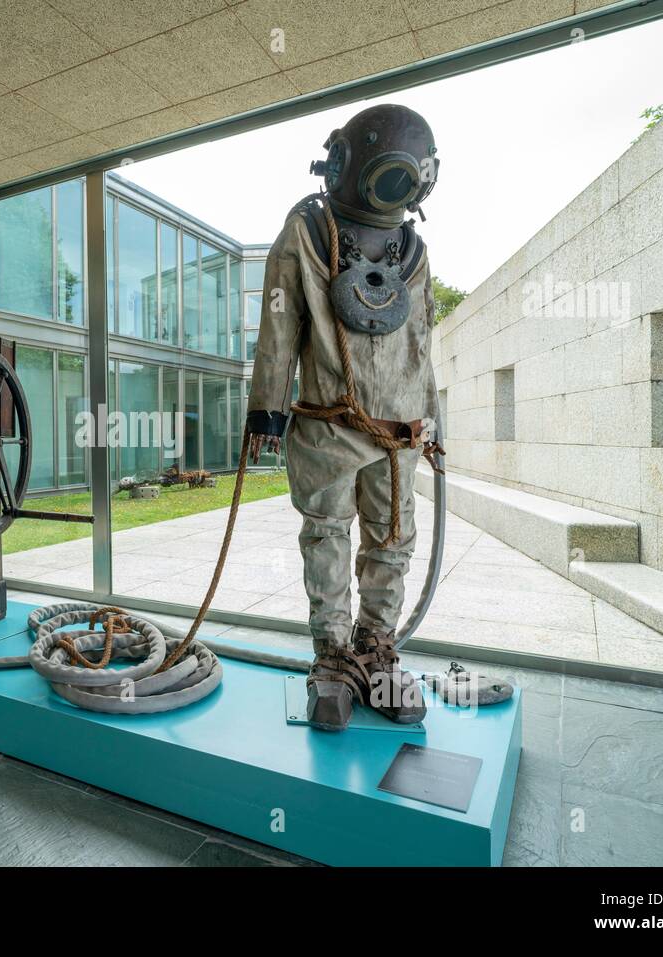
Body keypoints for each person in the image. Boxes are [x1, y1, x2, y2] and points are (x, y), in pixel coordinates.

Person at [246, 104, 445, 731]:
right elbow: (280, 325)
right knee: (326, 536)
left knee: (391, 544)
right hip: (328, 426)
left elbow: (420, 344)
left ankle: (375, 652)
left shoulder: (413, 252)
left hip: (399, 435)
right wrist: (267, 410)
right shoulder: (307, 230)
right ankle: (332, 660)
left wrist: (432, 422)